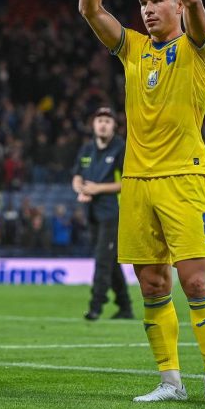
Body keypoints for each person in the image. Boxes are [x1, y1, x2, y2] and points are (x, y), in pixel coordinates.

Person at [79, 0, 205, 405]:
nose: (147, 9)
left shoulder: (198, 46)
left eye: (156, 0)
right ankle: (170, 381)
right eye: (143, 2)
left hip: (184, 178)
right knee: (151, 284)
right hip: (137, 183)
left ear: (176, 7)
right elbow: (90, 10)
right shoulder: (132, 48)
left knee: (195, 281)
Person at [71, 107, 132, 321]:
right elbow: (77, 176)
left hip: (113, 212)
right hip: (92, 213)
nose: (103, 124)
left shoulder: (121, 148)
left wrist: (97, 189)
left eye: (107, 120)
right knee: (110, 261)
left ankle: (95, 306)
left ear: (114, 126)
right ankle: (125, 307)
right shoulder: (87, 149)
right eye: (100, 120)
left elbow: (128, 182)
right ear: (93, 125)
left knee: (102, 259)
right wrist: (81, 189)